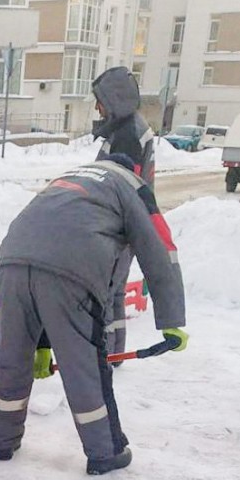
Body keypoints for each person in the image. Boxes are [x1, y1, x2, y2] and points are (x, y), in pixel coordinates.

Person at [0, 156, 188, 475]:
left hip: (11, 261)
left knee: (12, 357)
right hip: (73, 270)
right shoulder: (132, 186)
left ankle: (3, 441)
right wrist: (172, 320)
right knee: (84, 366)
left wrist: (38, 344)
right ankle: (104, 451)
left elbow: (42, 252)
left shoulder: (68, 178)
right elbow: (159, 249)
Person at [92, 66, 156, 358]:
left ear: (115, 100)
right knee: (115, 290)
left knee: (104, 291)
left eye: (100, 100)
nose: (97, 107)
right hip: (126, 223)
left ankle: (103, 353)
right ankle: (113, 352)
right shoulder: (127, 127)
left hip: (118, 224)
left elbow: (119, 185)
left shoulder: (128, 135)